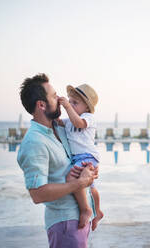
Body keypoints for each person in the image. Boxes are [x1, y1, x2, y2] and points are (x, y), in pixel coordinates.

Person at [17, 73, 98, 248]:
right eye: (54, 96)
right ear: (41, 104)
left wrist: (89, 170)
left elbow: (78, 156)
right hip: (65, 224)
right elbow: (37, 194)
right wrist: (79, 183)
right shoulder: (34, 142)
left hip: (80, 220)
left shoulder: (60, 128)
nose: (60, 99)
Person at [58, 83, 104, 231]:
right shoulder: (69, 121)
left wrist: (67, 107)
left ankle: (86, 209)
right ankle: (98, 212)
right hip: (77, 158)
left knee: (71, 179)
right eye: (70, 101)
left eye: (75, 103)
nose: (71, 105)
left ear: (87, 107)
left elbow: (79, 123)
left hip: (88, 156)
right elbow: (58, 122)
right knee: (91, 187)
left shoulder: (88, 117)